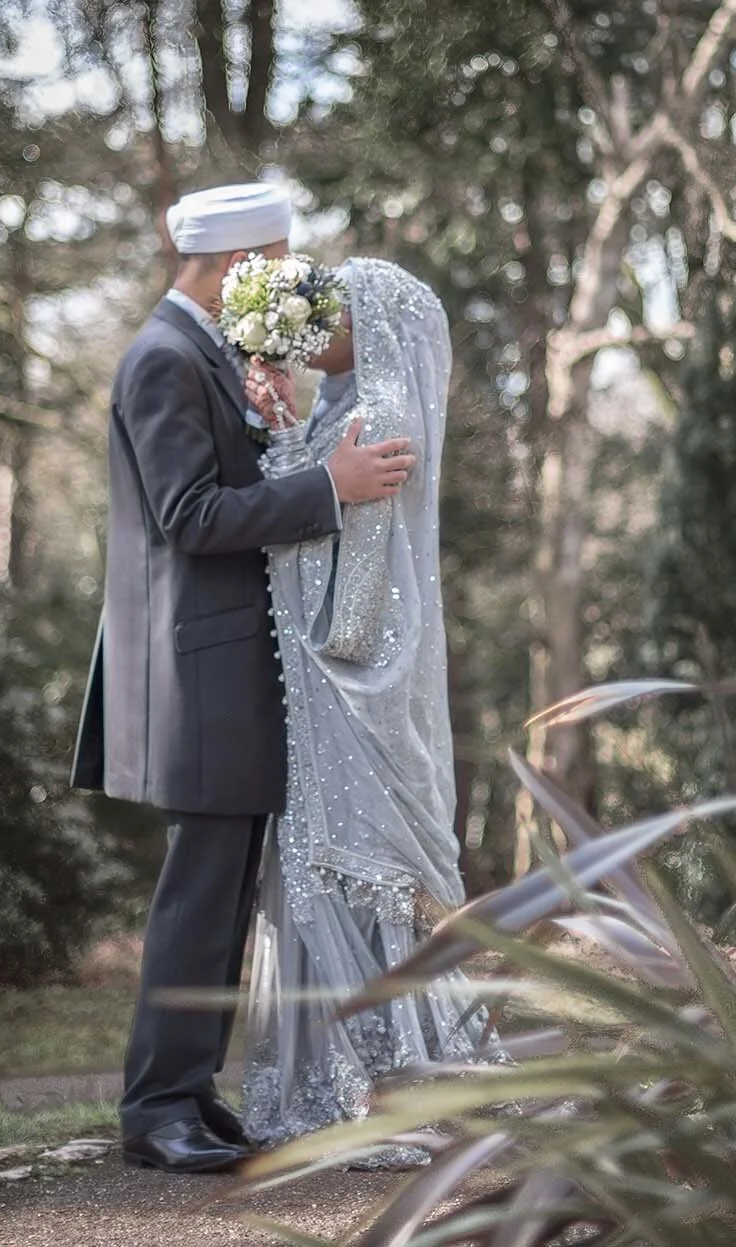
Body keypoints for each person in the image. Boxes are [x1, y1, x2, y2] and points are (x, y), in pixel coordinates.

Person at [69, 184, 417, 1176]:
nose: (290, 279)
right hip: (194, 668)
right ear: (235, 266)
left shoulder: (210, 355)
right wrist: (328, 489)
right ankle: (156, 1107)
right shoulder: (163, 358)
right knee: (199, 891)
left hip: (225, 667)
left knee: (223, 894)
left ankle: (189, 1090)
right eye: (279, 260)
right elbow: (188, 515)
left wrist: (283, 431)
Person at [235, 258, 493, 1164]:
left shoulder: (377, 419)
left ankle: (380, 1083)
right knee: (345, 872)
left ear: (378, 327)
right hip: (345, 686)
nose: (315, 326)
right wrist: (288, 435)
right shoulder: (344, 411)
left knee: (358, 869)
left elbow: (347, 606)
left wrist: (287, 461)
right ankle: (371, 1075)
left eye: (332, 312)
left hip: (350, 686)